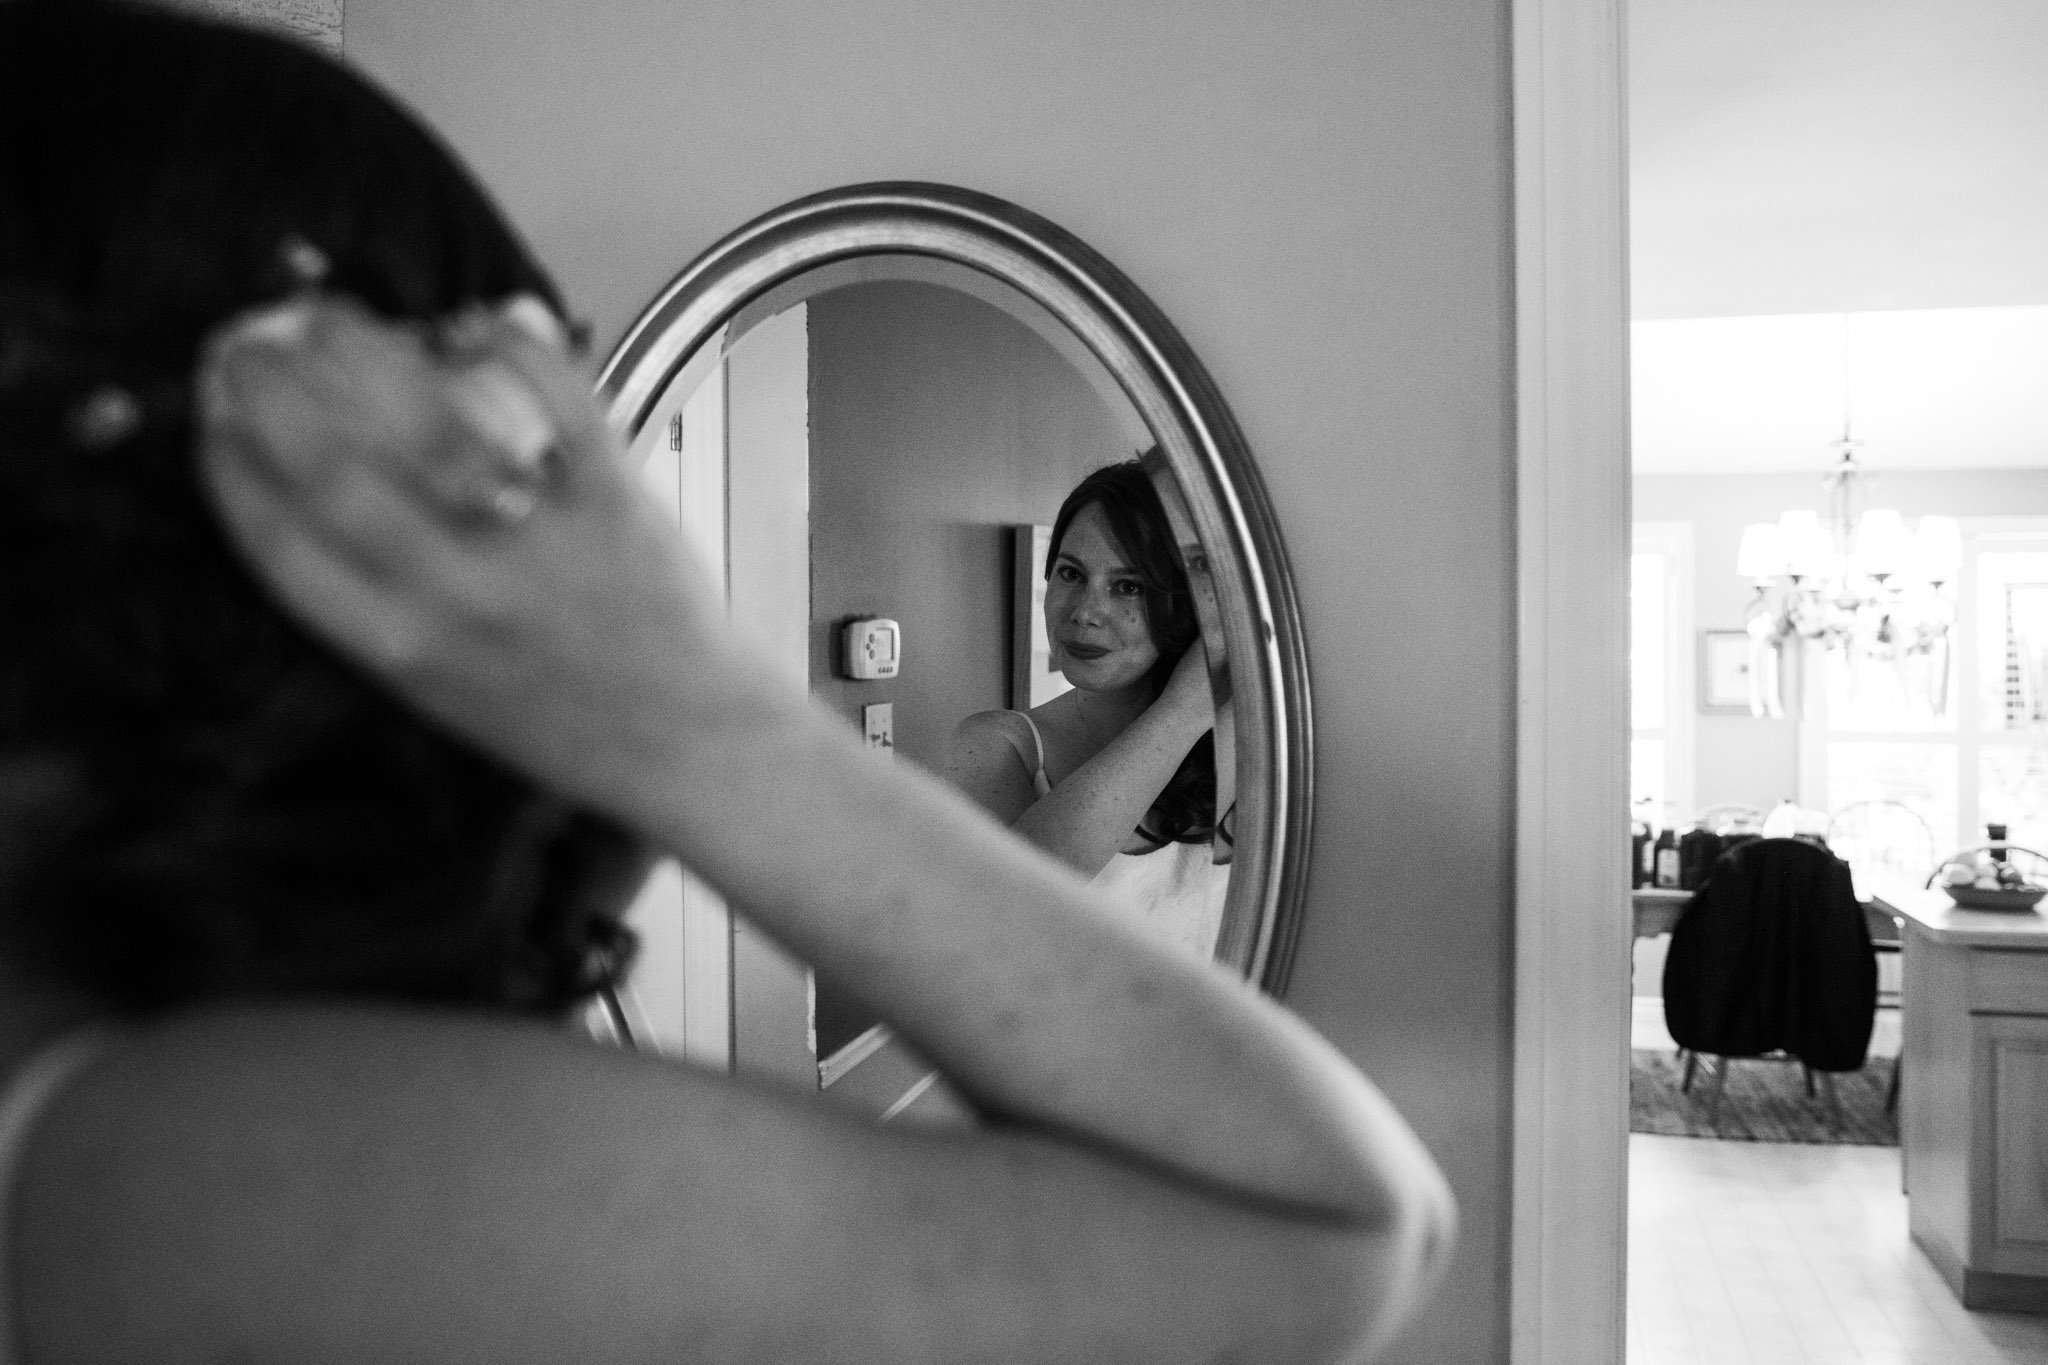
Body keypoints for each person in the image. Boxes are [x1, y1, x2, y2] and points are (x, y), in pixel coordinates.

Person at [0, 4, 1453, 1362]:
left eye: (1129, 583)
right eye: (521, 481)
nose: (1084, 607)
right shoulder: (146, 1158)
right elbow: (1328, 1227)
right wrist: (671, 691)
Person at [945, 463, 1227, 958]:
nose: (1083, 611)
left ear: (1188, 604)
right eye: (1071, 574)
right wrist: (1185, 710)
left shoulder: (1246, 749)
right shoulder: (998, 745)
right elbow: (1016, 914)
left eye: (1128, 586)